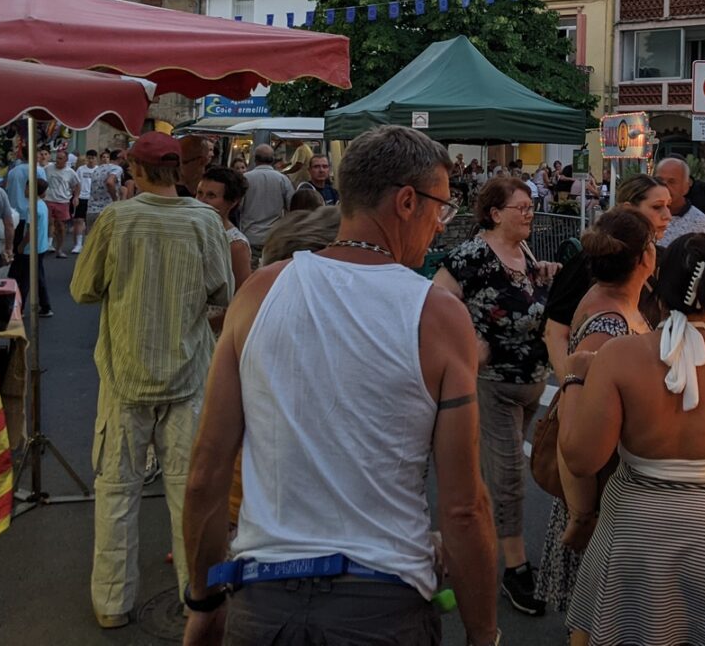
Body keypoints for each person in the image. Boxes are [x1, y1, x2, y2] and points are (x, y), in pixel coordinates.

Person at [180, 125, 499, 646]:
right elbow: (464, 508)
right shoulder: (439, 315)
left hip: (263, 602)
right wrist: (484, 633)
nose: (441, 225)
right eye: (440, 207)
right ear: (405, 202)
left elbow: (206, 473)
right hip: (385, 603)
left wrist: (204, 598)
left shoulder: (260, 291)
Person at [560, 232, 705, 646]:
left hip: (637, 523)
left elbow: (581, 458)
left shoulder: (621, 356)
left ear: (660, 282)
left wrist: (574, 374)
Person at [70, 132, 233, 630]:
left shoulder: (116, 220)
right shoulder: (204, 220)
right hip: (187, 373)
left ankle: (112, 604)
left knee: (117, 490)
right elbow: (222, 290)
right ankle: (196, 600)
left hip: (124, 373)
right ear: (179, 172)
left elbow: (82, 289)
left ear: (134, 171)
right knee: (191, 495)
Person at [432, 176, 558, 617]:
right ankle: (514, 567)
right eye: (520, 207)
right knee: (508, 478)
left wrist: (545, 276)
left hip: (531, 379)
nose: (529, 213)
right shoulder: (472, 255)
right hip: (494, 384)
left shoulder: (524, 252)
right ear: (494, 213)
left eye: (529, 206)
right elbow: (436, 303)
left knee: (495, 473)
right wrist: (471, 341)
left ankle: (469, 544)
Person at [535, 209, 657, 613]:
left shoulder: (612, 302)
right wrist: (581, 515)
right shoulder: (608, 326)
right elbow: (577, 429)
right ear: (645, 258)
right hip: (597, 495)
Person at [542, 174, 673, 382]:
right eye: (657, 207)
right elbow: (555, 331)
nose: (667, 215)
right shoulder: (591, 260)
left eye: (668, 206)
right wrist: (570, 384)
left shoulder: (661, 258)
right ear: (629, 209)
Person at [195, 166, 252, 293]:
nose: (201, 201)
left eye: (211, 195)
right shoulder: (192, 229)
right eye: (199, 193)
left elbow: (241, 292)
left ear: (232, 202)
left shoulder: (236, 244)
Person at [241, 144, 293, 263]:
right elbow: (291, 206)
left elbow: (238, 206)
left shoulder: (245, 179)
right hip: (273, 236)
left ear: (255, 158)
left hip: (250, 235)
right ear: (273, 159)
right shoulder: (282, 179)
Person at [12, 177, 55, 317]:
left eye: (26, 187)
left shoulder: (33, 207)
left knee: (25, 279)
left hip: (31, 248)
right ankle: (46, 305)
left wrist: (22, 245)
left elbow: (30, 230)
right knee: (38, 276)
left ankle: (21, 307)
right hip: (41, 246)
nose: (24, 190)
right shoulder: (42, 204)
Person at [654, 157, 705, 246]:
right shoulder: (645, 214)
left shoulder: (699, 222)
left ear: (685, 187)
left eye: (672, 181)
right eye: (659, 180)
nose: (664, 186)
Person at [45, 149, 81, 258]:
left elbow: (78, 185)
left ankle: (59, 249)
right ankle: (47, 244)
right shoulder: (48, 168)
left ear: (66, 160)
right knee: (49, 223)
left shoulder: (70, 172)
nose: (57, 161)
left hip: (63, 202)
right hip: (48, 200)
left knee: (60, 227)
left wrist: (76, 197)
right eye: (57, 158)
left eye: (60, 158)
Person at [73, 149, 99, 254]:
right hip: (82, 197)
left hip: (93, 199)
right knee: (79, 220)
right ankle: (79, 244)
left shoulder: (98, 170)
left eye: (93, 158)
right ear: (86, 159)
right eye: (89, 158)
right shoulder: (81, 169)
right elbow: (77, 184)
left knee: (91, 223)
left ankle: (89, 244)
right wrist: (76, 197)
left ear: (96, 159)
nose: (91, 160)